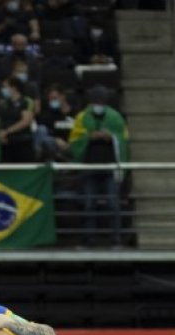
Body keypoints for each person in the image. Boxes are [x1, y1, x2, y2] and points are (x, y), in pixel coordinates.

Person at [69, 85, 129, 245]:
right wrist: (89, 137)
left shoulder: (115, 117)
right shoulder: (82, 117)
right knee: (89, 203)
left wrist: (111, 137)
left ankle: (116, 239)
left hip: (109, 167)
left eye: (101, 101)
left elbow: (123, 138)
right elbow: (74, 139)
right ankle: (89, 238)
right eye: (95, 101)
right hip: (89, 167)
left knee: (112, 203)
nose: (98, 105)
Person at [0, 77, 36, 163]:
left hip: (22, 141)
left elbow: (26, 121)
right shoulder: (3, 103)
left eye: (5, 87)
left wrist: (7, 131)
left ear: (14, 87)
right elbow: (0, 120)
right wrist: (0, 134)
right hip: (6, 142)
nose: (3, 89)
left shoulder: (26, 101)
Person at [35, 84, 75, 161]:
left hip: (73, 146)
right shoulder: (48, 116)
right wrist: (56, 140)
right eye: (50, 99)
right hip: (55, 148)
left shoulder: (77, 113)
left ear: (63, 96)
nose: (52, 101)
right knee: (42, 132)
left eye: (54, 98)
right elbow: (43, 136)